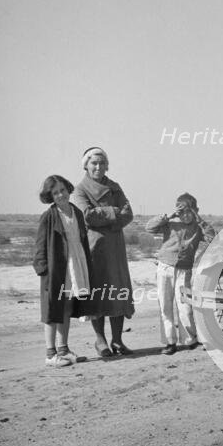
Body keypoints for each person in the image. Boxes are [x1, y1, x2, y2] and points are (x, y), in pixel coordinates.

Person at [71, 147, 135, 357]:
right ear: (86, 166)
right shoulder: (80, 190)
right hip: (94, 248)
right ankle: (100, 341)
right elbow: (87, 216)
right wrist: (113, 213)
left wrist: (106, 217)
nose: (98, 167)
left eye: (102, 163)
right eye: (93, 163)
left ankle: (117, 340)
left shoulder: (115, 187)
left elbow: (128, 215)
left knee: (118, 293)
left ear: (107, 165)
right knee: (98, 294)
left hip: (115, 248)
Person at [33, 175, 93, 367]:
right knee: (52, 310)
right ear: (50, 196)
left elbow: (82, 239)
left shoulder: (76, 212)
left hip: (75, 265)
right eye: (55, 192)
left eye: (63, 190)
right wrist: (42, 269)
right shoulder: (49, 216)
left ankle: (63, 350)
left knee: (66, 306)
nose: (60, 195)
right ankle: (50, 355)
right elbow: (40, 245)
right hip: (56, 268)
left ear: (68, 189)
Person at [145, 193, 215, 354]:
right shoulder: (170, 224)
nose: (185, 216)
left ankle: (190, 339)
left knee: (185, 306)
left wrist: (200, 219)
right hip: (165, 268)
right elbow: (150, 227)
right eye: (181, 212)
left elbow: (213, 238)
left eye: (189, 212)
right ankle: (170, 341)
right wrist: (168, 216)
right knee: (165, 305)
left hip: (184, 271)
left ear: (196, 211)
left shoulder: (198, 229)